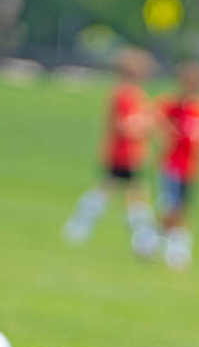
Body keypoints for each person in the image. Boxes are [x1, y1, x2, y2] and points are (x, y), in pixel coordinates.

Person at [62, 47, 156, 249]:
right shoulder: (124, 94)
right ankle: (142, 239)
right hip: (123, 153)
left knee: (119, 192)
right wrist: (146, 123)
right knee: (127, 194)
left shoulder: (134, 94)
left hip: (130, 153)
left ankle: (80, 227)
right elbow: (124, 125)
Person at [142, 60, 199, 270]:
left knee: (181, 209)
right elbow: (153, 117)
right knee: (172, 207)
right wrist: (166, 132)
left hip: (192, 166)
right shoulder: (173, 105)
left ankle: (151, 241)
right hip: (173, 164)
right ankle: (175, 250)